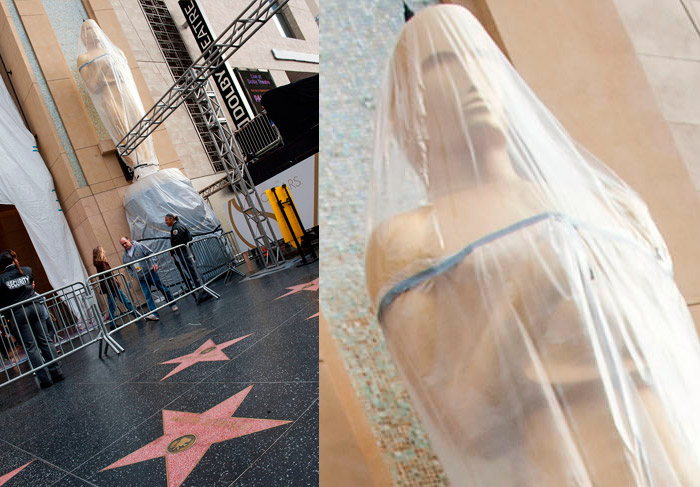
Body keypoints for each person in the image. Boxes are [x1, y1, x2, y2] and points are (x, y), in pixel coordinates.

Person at [366, 5, 700, 486]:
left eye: (482, 56)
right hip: (562, 466)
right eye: (445, 62)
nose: (473, 74)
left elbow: (674, 347)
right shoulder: (410, 240)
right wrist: (535, 284)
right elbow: (462, 420)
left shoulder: (613, 204)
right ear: (412, 96)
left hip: (673, 448)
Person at [77, 20, 158, 181]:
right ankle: (137, 164)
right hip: (110, 95)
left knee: (140, 125)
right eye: (89, 30)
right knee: (123, 129)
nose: (93, 33)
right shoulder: (84, 57)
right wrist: (104, 65)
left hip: (127, 93)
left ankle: (149, 161)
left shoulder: (116, 51)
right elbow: (92, 86)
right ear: (84, 36)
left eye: (95, 29)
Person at [0, 250, 64, 388]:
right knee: (45, 340)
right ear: (13, 260)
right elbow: (30, 286)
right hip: (35, 307)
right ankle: (57, 372)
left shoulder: (1, 279)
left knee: (31, 346)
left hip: (18, 312)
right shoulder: (26, 270)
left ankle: (45, 378)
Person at [119, 237, 178, 321]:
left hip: (150, 273)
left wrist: (154, 263)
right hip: (141, 278)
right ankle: (154, 314)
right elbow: (128, 268)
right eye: (122, 244)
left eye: (125, 243)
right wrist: (134, 275)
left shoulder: (139, 246)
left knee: (163, 288)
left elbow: (150, 253)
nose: (124, 245)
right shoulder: (125, 256)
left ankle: (172, 304)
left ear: (129, 240)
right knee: (147, 295)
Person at [93, 246, 135, 329]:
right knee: (125, 300)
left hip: (107, 287)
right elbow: (108, 273)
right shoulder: (103, 263)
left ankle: (112, 323)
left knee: (112, 305)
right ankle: (136, 314)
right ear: (100, 253)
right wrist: (115, 280)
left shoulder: (97, 264)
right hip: (112, 286)